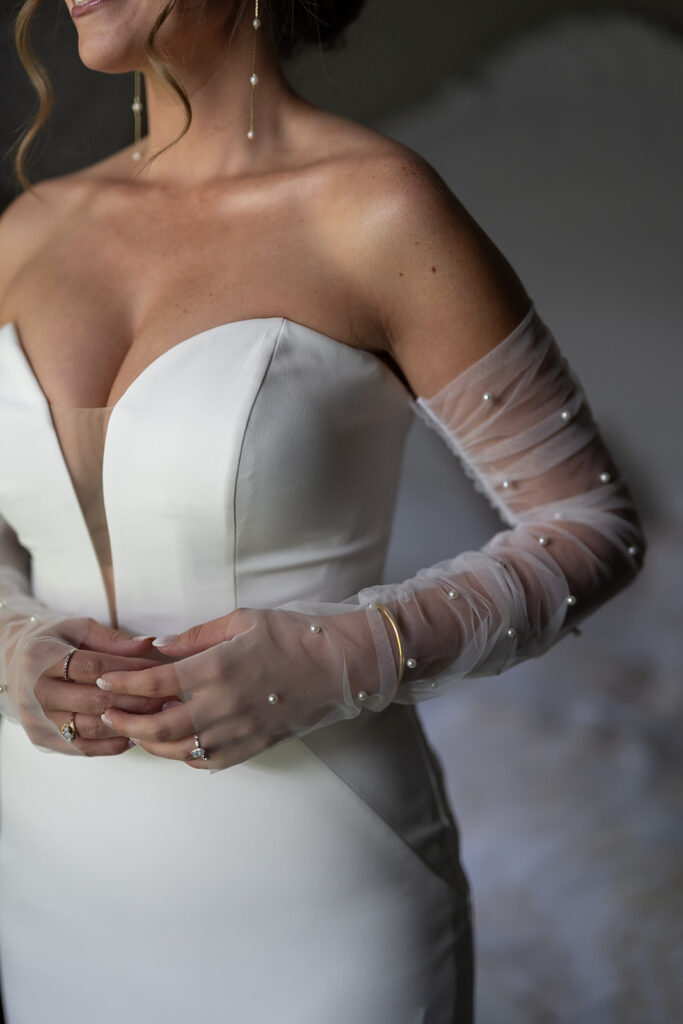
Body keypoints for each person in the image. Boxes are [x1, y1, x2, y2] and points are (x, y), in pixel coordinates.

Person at [0, 1, 646, 1021]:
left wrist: (344, 655)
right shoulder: (27, 232)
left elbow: (588, 524)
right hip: (54, 879)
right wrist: (14, 645)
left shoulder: (374, 209)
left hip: (317, 884)